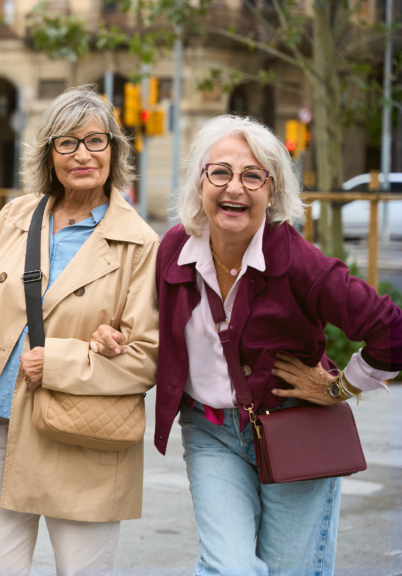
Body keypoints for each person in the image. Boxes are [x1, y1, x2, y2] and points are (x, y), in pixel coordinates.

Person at [0, 86, 159, 574]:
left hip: (83, 438)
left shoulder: (140, 243)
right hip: (3, 429)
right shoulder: (17, 215)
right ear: (49, 154)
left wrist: (61, 362)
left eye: (95, 141)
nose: (82, 154)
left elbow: (147, 356)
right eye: (66, 143)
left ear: (114, 150)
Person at [143, 114, 400, 574]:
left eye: (252, 175)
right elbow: (150, 325)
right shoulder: (174, 250)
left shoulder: (300, 263)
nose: (234, 188)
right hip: (211, 431)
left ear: (272, 189)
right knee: (230, 569)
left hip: (296, 427)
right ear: (200, 183)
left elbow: (393, 331)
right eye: (219, 172)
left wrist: (342, 388)